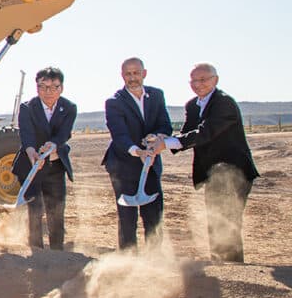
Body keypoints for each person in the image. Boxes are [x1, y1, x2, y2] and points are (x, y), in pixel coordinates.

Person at [156, 63, 259, 262]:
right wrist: (163, 139)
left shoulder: (224, 103)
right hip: (214, 173)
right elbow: (188, 133)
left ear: (215, 80)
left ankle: (232, 267)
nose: (198, 84)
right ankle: (222, 264)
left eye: (203, 79)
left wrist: (168, 143)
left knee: (227, 220)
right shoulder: (192, 105)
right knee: (216, 218)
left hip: (234, 171)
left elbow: (207, 132)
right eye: (194, 80)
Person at [102, 57, 172, 251]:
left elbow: (165, 124)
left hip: (151, 163)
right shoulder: (114, 102)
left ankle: (154, 257)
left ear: (144, 73)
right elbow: (120, 135)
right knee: (127, 217)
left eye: (136, 73)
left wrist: (157, 137)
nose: (132, 78)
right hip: (123, 165)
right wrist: (137, 151)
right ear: (122, 76)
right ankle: (128, 258)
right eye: (128, 74)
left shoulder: (156, 95)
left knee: (154, 215)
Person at [11, 67, 76, 250]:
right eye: (43, 86)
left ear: (61, 88)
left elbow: (64, 133)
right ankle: (36, 251)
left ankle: (57, 251)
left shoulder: (69, 108)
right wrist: (31, 151)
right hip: (30, 166)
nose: (49, 92)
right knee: (34, 209)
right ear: (37, 87)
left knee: (56, 210)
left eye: (54, 87)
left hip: (55, 166)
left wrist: (53, 144)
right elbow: (27, 134)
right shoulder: (27, 108)